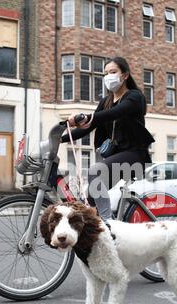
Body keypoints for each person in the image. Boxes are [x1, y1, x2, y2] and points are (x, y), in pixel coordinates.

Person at [61, 56, 155, 224]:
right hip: (116, 157)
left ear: (125, 75)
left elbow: (116, 113)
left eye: (113, 72)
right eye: (105, 73)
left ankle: (109, 225)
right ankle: (100, 241)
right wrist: (60, 136)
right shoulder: (106, 102)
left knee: (95, 171)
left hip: (134, 156)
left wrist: (85, 116)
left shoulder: (134, 97)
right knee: (90, 202)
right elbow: (89, 127)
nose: (108, 76)